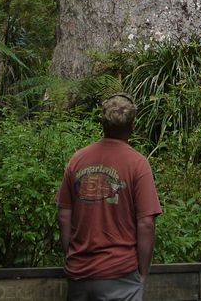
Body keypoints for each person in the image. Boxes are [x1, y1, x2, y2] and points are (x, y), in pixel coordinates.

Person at [56, 93, 162, 301]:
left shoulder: (78, 160)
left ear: (101, 123)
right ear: (132, 126)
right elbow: (146, 224)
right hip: (120, 275)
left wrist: (72, 256)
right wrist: (143, 273)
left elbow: (63, 216)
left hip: (80, 276)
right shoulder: (137, 164)